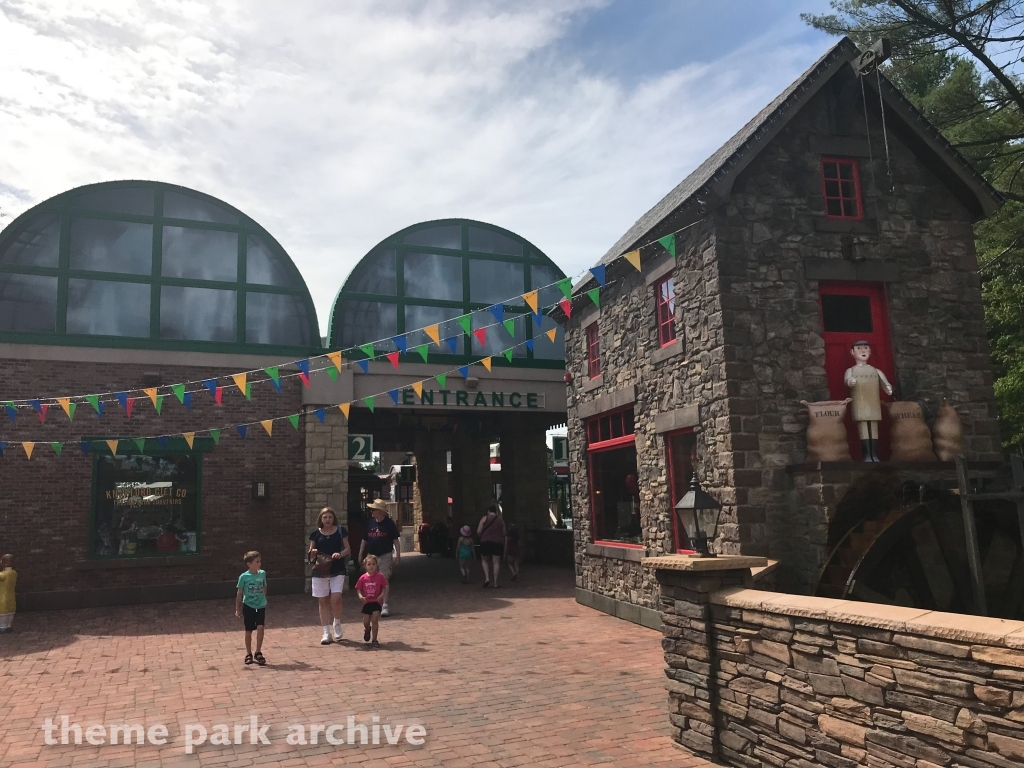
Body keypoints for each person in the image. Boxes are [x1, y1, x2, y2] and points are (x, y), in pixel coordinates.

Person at [844, 340, 894, 462]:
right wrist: (850, 381)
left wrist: (888, 388)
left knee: (874, 429)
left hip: (873, 404)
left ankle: (874, 454)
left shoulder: (876, 371)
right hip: (860, 403)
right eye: (859, 348)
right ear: (852, 352)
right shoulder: (851, 370)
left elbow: (885, 383)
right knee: (863, 429)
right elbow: (847, 380)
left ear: (870, 351)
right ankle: (866, 455)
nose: (863, 351)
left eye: (866, 348)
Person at [308, 507, 350, 645]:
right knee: (322, 600)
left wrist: (340, 554)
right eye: (325, 517)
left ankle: (337, 622)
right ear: (321, 519)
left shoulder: (340, 531)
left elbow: (347, 549)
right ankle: (326, 632)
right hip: (320, 569)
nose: (327, 520)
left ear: (334, 519)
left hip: (337, 568)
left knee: (336, 598)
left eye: (330, 517)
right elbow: (311, 551)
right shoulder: (315, 534)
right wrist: (313, 551)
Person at [358, 499, 400, 616]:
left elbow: (395, 540)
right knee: (371, 579)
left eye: (374, 510)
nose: (372, 512)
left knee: (384, 579)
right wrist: (361, 553)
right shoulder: (370, 523)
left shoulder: (389, 524)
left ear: (380, 511)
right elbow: (364, 539)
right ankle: (374, 604)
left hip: (385, 554)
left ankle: (385, 605)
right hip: (372, 555)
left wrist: (398, 555)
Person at [235, 551, 267, 666]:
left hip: (260, 605)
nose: (259, 564)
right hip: (248, 605)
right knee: (249, 630)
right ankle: (249, 653)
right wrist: (238, 609)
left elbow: (264, 586)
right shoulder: (243, 577)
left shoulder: (262, 574)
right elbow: (239, 593)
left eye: (260, 561)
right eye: (256, 562)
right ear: (249, 564)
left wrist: (264, 599)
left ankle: (258, 651)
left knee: (261, 627)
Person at [355, 555, 389, 648]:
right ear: (365, 566)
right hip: (367, 602)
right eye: (369, 564)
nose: (371, 566)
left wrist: (381, 596)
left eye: (373, 564)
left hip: (376, 602)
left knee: (375, 620)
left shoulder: (380, 576)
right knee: (366, 622)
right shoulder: (363, 578)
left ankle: (374, 639)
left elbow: (384, 587)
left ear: (377, 565)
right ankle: (367, 629)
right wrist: (361, 596)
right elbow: (358, 588)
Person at [477, 503, 506, 588]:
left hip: (485, 542)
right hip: (497, 542)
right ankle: (496, 582)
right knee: (496, 563)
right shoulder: (500, 520)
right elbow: (504, 533)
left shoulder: (484, 518)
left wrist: (482, 536)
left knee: (485, 560)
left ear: (488, 511)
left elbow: (478, 531)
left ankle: (487, 578)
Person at [0, 554, 16, 634]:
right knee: (10, 612)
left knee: (3, 613)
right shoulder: (14, 573)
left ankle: (2, 626)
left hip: (3, 597)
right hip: (11, 597)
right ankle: (8, 626)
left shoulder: (4, 575)